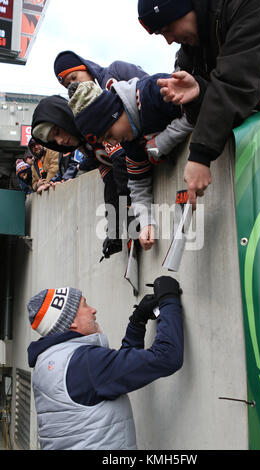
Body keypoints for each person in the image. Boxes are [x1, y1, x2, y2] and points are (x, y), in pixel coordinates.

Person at [137, 0, 260, 207]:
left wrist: (200, 154)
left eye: (168, 29)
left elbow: (236, 83)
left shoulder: (254, 4)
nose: (169, 40)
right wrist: (199, 92)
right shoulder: (192, 50)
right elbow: (207, 112)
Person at [54, 50, 193, 250]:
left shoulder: (153, 92)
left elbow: (203, 103)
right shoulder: (130, 141)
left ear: (111, 115)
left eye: (109, 135)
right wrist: (146, 223)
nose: (113, 142)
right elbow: (137, 183)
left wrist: (161, 143)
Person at [27, 276, 183, 450]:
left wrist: (137, 322)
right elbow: (166, 357)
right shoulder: (85, 362)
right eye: (85, 305)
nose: (93, 310)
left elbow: (118, 374)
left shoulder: (47, 362)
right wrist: (169, 299)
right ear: (70, 322)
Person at [31, 95, 130, 259]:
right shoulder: (85, 144)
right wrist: (114, 231)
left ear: (65, 118)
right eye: (53, 140)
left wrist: (127, 209)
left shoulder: (94, 122)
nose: (60, 141)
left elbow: (121, 163)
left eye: (57, 131)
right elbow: (110, 180)